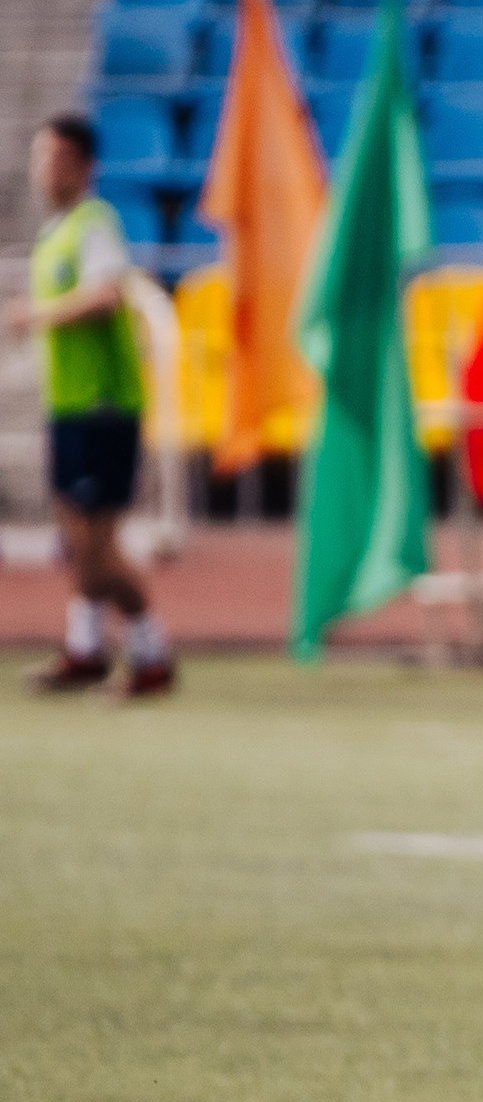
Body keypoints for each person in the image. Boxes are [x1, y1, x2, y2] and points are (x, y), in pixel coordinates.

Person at [12, 113, 173, 698]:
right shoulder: (55, 233)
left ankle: (152, 652)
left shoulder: (93, 224)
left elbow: (106, 297)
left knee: (96, 555)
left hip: (103, 408)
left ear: (83, 166)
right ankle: (84, 648)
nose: (41, 170)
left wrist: (35, 316)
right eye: (38, 157)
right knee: (75, 542)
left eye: (53, 158)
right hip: (71, 407)